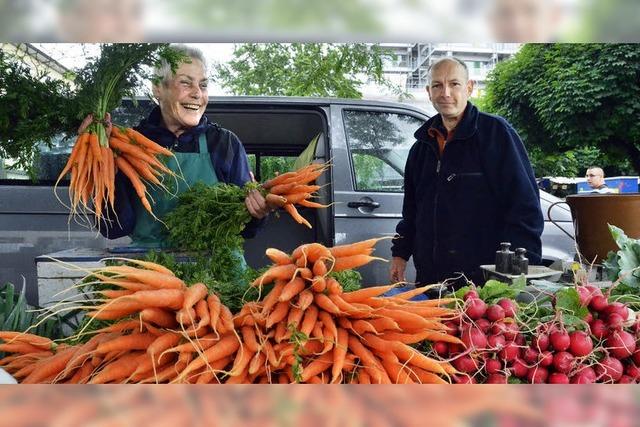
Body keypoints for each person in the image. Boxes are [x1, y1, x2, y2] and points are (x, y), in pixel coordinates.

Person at [80, 44, 272, 252]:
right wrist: (100, 161)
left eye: (203, 85)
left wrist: (257, 212)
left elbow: (246, 230)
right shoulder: (129, 144)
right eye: (185, 83)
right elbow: (115, 228)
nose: (197, 93)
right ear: (158, 88)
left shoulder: (224, 144)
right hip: (152, 270)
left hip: (215, 269)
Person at [390, 57, 543, 295]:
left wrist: (514, 279)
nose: (446, 93)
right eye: (438, 86)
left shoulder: (496, 134)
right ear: (429, 92)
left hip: (483, 287)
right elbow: (411, 211)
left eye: (454, 84)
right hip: (432, 283)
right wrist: (400, 254)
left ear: (469, 87)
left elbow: (524, 207)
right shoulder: (420, 149)